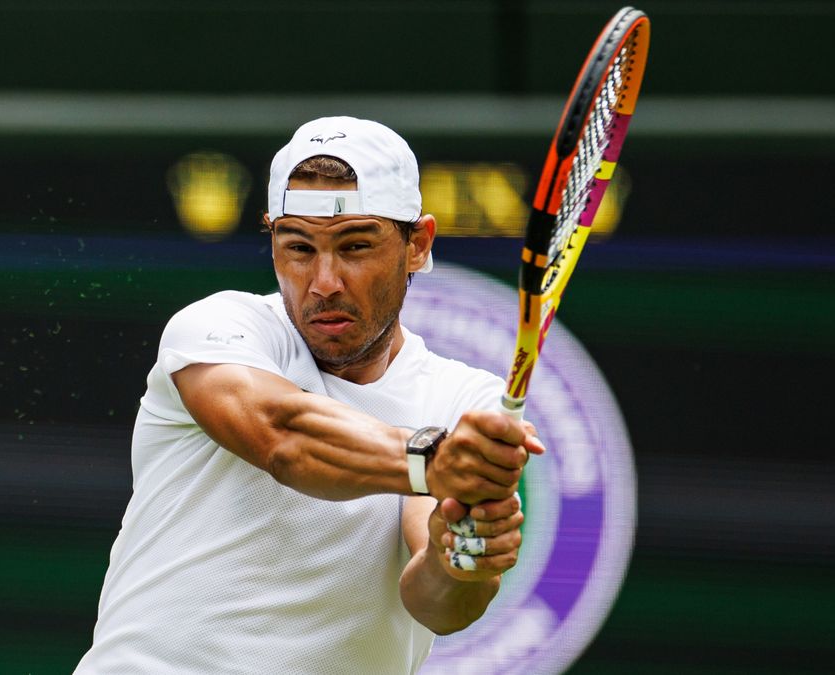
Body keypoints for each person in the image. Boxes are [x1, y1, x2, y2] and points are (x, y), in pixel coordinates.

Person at [75, 116, 544, 674]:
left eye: (355, 246)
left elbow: (437, 607)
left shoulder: (463, 397)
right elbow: (284, 438)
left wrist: (463, 559)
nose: (324, 281)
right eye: (298, 247)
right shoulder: (217, 328)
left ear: (417, 245)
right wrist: (435, 460)